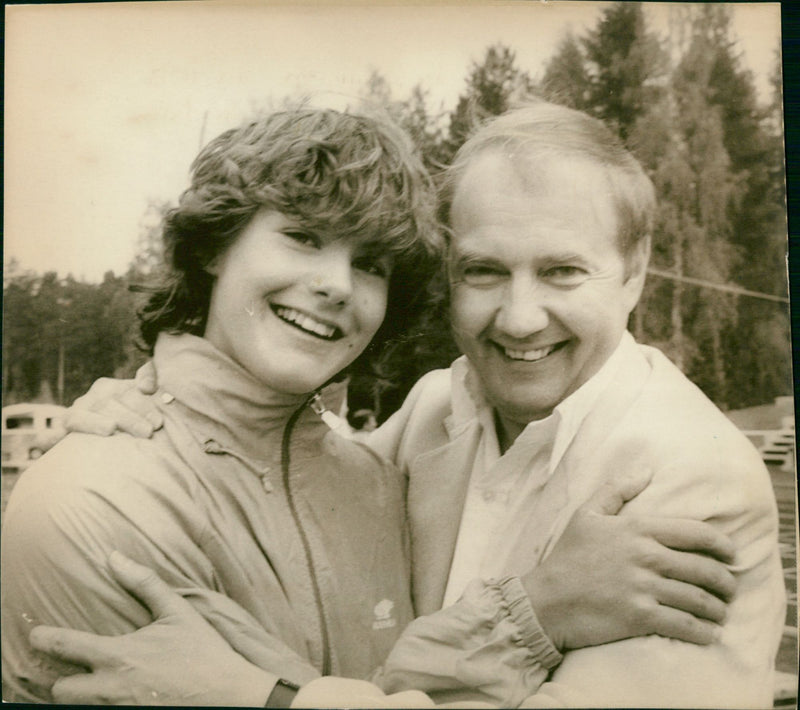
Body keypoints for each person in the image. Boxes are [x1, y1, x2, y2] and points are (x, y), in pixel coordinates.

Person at [14, 103, 757, 707]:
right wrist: (146, 401)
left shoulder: (689, 483)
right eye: (484, 270)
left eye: (562, 271)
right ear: (213, 247)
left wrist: (262, 699)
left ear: (634, 271)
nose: (521, 316)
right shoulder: (431, 417)